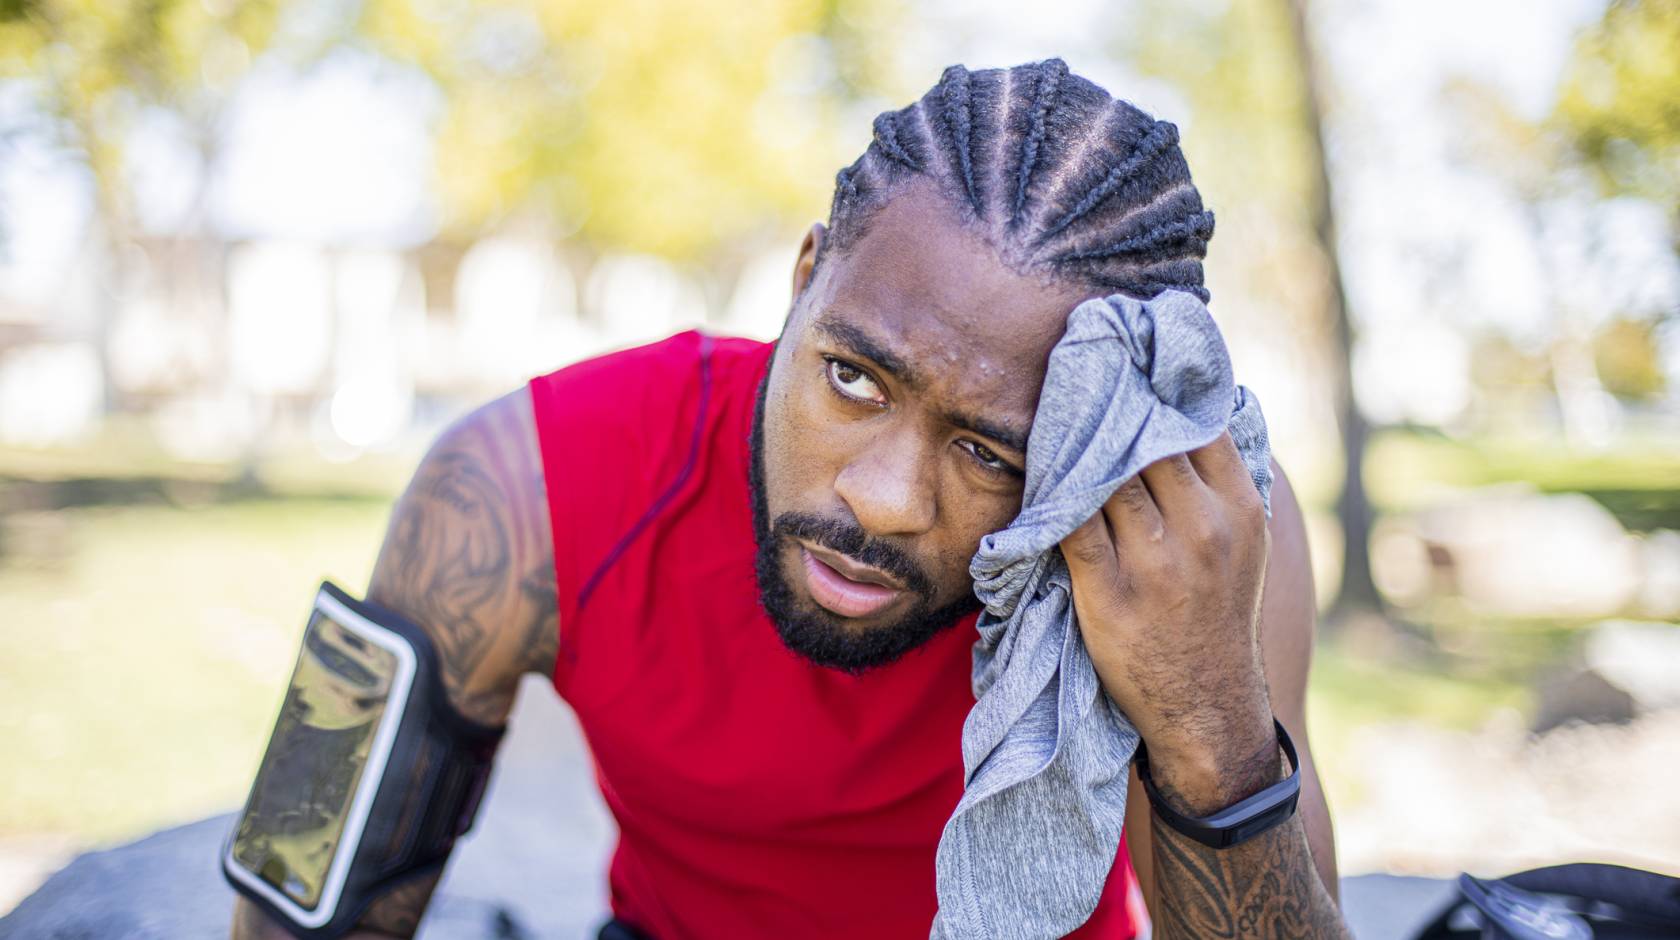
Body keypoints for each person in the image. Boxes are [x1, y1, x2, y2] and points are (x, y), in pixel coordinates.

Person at [233, 59, 1348, 939]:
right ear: (805, 274)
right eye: (852, 378)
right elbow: (298, 883)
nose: (882, 498)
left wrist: (1208, 722)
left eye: (989, 452)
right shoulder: (516, 486)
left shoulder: (1193, 547)